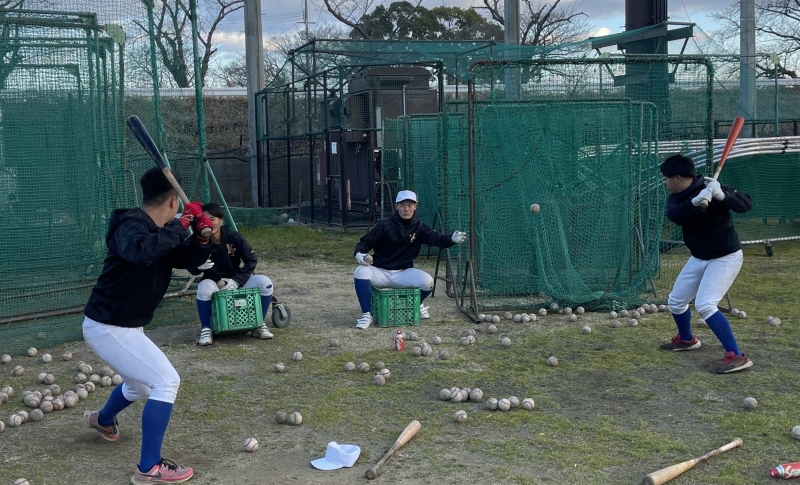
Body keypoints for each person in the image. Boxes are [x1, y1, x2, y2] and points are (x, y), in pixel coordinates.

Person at [81, 168, 213, 483]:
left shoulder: (162, 230)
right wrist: (182, 223)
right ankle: (148, 467)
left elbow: (188, 261)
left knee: (139, 386)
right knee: (166, 382)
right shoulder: (129, 224)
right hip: (108, 325)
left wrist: (200, 236)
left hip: (124, 325)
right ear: (172, 201)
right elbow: (140, 251)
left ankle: (102, 419)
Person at [659, 154, 753, 374]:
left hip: (725, 256)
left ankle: (736, 355)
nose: (665, 182)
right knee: (676, 301)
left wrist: (723, 195)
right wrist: (693, 203)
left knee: (705, 304)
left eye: (667, 178)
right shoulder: (677, 197)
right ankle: (687, 339)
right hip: (699, 256)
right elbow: (675, 215)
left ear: (678, 178)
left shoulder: (711, 186)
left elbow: (746, 203)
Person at [353, 190, 466, 329]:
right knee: (360, 271)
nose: (406, 209)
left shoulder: (419, 227)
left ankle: (416, 304)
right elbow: (365, 243)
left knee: (427, 282)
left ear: (415, 206)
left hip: (403, 272)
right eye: (402, 205)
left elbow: (437, 239)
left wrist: (452, 239)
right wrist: (360, 254)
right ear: (396, 206)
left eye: (410, 205)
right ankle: (367, 315)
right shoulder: (384, 225)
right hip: (380, 271)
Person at [188, 202, 274, 345]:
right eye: (205, 219)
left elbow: (251, 259)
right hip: (214, 284)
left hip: (236, 281)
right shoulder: (197, 241)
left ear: (221, 220)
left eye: (212, 219)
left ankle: (259, 325)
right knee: (203, 288)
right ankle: (206, 329)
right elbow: (189, 265)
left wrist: (237, 280)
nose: (209, 223)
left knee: (265, 283)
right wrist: (198, 266)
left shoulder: (233, 237)